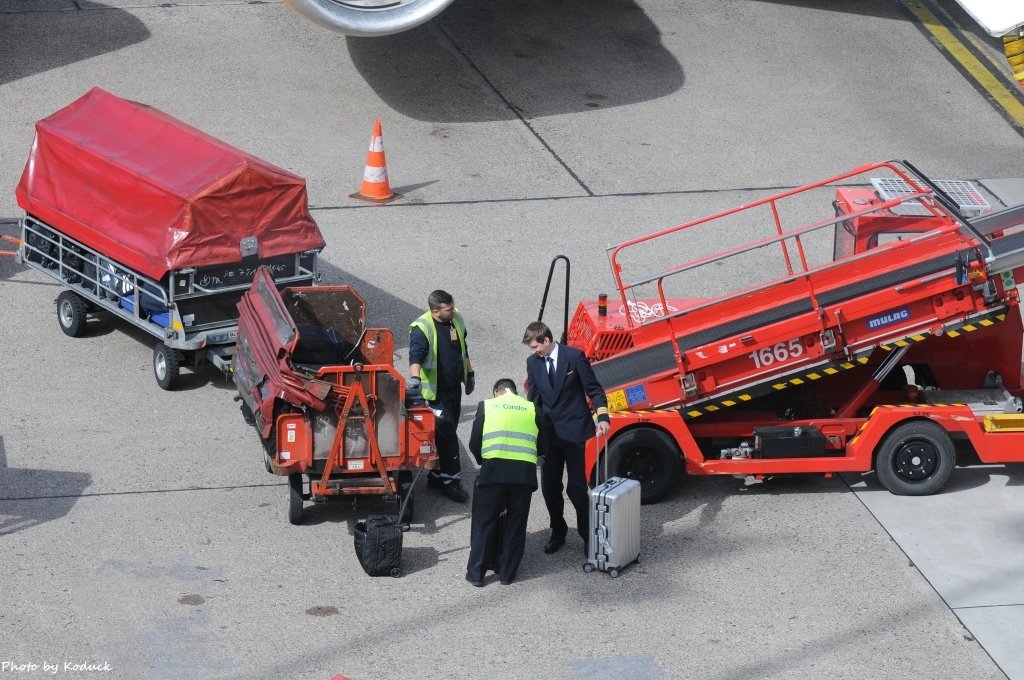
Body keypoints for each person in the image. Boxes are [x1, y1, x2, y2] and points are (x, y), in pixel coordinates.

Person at [522, 321, 609, 556]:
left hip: (575, 433)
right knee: (550, 487)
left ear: (547, 341)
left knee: (576, 488)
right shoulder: (533, 363)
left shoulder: (574, 357)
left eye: (535, 347)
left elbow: (595, 390)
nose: (533, 352)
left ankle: (588, 535)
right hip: (549, 436)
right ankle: (558, 531)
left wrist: (603, 418)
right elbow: (535, 398)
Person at [465, 378, 540, 587]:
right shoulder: (530, 408)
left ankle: (476, 574)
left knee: (485, 522)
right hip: (523, 475)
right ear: (515, 392)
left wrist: (484, 461)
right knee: (516, 524)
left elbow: (474, 442)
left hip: (494, 471)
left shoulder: (487, 406)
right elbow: (543, 442)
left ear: (495, 391)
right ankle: (507, 574)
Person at [407, 290, 474, 502]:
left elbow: (464, 348)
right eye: (448, 309)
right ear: (436, 311)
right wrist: (415, 379)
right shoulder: (422, 328)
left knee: (448, 430)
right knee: (446, 433)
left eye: (453, 307)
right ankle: (451, 482)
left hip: (454, 388)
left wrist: (470, 373)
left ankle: (437, 475)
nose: (453, 311)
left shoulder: (456, 318)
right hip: (434, 393)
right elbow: (415, 355)